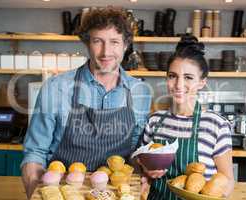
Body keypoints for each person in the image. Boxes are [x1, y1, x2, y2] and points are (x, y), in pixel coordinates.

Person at [21, 7, 151, 199]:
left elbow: (135, 151)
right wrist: (37, 193)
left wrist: (145, 171)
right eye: (98, 41)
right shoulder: (56, 88)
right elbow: (35, 152)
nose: (106, 52)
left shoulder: (140, 92)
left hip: (114, 194)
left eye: (114, 42)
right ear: (87, 43)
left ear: (125, 45)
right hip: (64, 193)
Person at [139, 36, 234, 199]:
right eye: (172, 76)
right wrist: (146, 172)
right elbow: (141, 165)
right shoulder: (154, 120)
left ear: (202, 82)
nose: (178, 84)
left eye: (188, 77)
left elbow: (228, 179)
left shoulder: (216, 124)